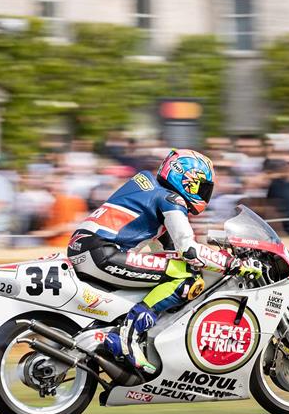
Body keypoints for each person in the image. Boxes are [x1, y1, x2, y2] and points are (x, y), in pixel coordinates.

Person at [67, 148, 261, 373]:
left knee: (174, 268)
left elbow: (171, 249)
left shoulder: (149, 189)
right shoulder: (170, 198)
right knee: (187, 279)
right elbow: (188, 250)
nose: (205, 194)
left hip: (88, 246)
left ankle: (120, 328)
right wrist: (231, 264)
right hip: (103, 251)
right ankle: (127, 336)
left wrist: (212, 255)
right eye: (203, 187)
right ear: (186, 180)